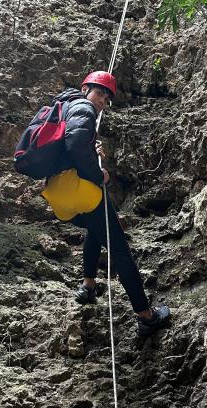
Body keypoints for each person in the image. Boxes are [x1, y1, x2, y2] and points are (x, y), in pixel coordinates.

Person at [40, 71, 170, 337]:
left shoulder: (62, 108)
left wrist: (90, 152)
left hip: (56, 194)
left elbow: (70, 146)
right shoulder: (84, 107)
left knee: (95, 228)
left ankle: (88, 287)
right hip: (78, 188)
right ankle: (146, 316)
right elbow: (75, 143)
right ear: (85, 88)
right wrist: (100, 175)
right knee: (119, 247)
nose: (102, 101)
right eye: (99, 93)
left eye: (107, 97)